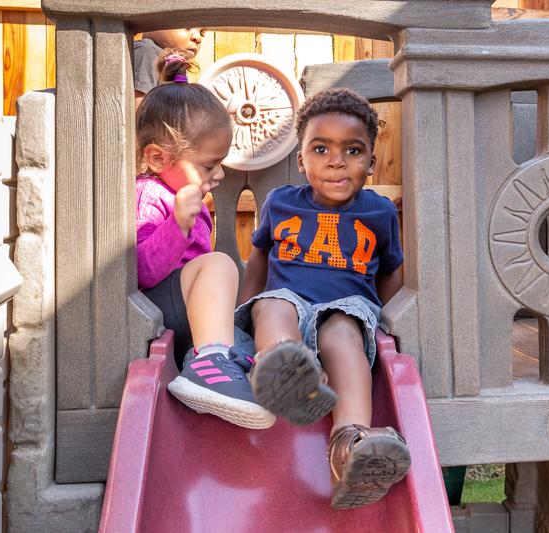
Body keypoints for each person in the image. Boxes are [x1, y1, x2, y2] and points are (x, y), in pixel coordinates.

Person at [235, 88, 411, 509]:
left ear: (371, 162)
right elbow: (259, 256)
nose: (336, 161)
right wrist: (237, 317)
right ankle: (286, 371)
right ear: (301, 160)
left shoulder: (380, 212)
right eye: (321, 149)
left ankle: (350, 446)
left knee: (344, 334)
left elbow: (392, 270)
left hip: (347, 307)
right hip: (288, 302)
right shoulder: (280, 202)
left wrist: (393, 326)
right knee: (272, 305)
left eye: (353, 150)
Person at [136, 50, 274, 430]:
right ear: (158, 158)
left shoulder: (184, 196)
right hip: (159, 310)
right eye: (209, 165)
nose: (219, 175)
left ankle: (245, 372)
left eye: (221, 163)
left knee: (247, 338)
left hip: (185, 311)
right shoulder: (151, 195)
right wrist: (177, 225)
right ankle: (209, 364)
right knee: (219, 262)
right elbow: (141, 271)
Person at [134, 29, 205, 109]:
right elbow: (138, 107)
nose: (198, 38)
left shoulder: (178, 64)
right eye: (187, 27)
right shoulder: (147, 51)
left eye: (201, 33)